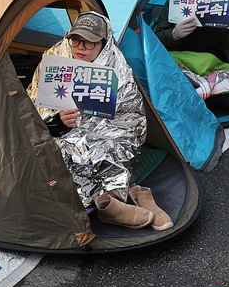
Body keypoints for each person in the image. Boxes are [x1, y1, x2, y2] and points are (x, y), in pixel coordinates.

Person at [27, 13, 168, 230]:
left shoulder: (116, 68)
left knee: (105, 150)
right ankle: (116, 201)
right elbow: (32, 116)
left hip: (105, 136)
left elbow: (130, 121)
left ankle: (119, 200)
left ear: (103, 43)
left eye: (90, 42)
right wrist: (58, 122)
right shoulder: (56, 60)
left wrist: (99, 133)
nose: (80, 47)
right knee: (61, 154)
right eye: (76, 40)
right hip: (62, 136)